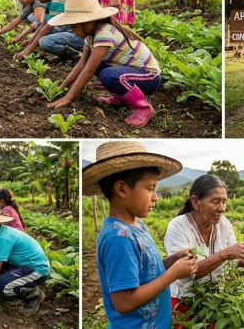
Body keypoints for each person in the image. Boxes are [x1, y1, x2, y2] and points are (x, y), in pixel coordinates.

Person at [83, 141, 199, 329]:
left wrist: (171, 261)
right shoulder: (119, 238)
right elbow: (123, 303)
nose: (156, 197)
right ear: (122, 189)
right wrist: (173, 274)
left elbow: (145, 272)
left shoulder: (137, 226)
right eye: (149, 188)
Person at [47, 0, 162, 127]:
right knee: (97, 64)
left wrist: (68, 97)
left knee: (107, 75)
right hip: (131, 73)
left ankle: (143, 108)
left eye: (74, 26)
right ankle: (120, 97)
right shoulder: (90, 36)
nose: (72, 30)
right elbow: (82, 64)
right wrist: (62, 87)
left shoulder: (104, 34)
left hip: (149, 76)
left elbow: (89, 70)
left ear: (88, 22)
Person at [165, 175, 244, 317]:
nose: (221, 208)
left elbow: (233, 261)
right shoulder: (178, 226)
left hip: (217, 301)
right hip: (184, 301)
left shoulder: (224, 224)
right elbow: (188, 271)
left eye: (224, 202)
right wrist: (224, 254)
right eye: (215, 202)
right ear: (195, 202)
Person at [15, 0, 84, 64]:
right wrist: (30, 41)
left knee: (45, 42)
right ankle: (65, 55)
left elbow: (48, 28)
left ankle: (75, 55)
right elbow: (44, 24)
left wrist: (27, 51)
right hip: (68, 32)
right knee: (40, 26)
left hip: (79, 37)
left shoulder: (58, 0)